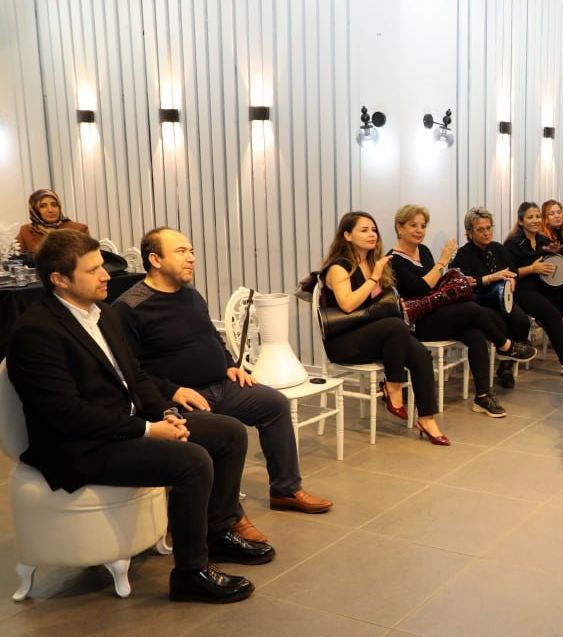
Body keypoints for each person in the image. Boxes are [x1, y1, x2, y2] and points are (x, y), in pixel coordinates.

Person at [7, 229, 271, 604]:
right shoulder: (36, 332)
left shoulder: (103, 314)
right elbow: (66, 414)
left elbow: (137, 377)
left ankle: (218, 530)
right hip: (82, 446)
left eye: (102, 266)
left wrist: (165, 413)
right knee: (193, 461)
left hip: (123, 426)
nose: (106, 276)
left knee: (228, 433)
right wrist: (148, 429)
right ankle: (190, 574)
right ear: (59, 279)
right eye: (93, 270)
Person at [115, 227, 332, 535]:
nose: (192, 258)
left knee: (274, 404)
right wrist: (172, 390)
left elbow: (210, 337)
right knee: (225, 433)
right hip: (181, 398)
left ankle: (285, 489)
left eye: (192, 251)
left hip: (221, 384)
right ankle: (229, 517)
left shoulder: (190, 295)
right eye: (181, 251)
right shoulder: (129, 308)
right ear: (155, 259)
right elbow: (129, 369)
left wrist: (230, 365)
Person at [389, 204, 536, 418]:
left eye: (423, 226)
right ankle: (506, 345)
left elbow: (436, 286)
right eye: (413, 225)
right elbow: (420, 288)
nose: (419, 230)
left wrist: (456, 280)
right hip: (417, 324)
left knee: (475, 334)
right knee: (472, 308)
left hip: (437, 314)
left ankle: (483, 396)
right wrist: (443, 261)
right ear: (399, 227)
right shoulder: (394, 259)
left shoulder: (424, 251)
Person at [319, 212, 450, 445]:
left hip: (376, 335)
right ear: (347, 235)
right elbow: (347, 304)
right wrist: (374, 278)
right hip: (344, 341)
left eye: (373, 230)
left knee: (420, 354)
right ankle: (393, 386)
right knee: (395, 326)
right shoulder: (340, 267)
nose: (372, 234)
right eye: (364, 230)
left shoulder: (373, 262)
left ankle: (427, 419)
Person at [505, 202, 563, 378]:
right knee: (552, 314)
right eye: (530, 217)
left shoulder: (542, 240)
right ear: (521, 221)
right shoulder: (513, 243)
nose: (535, 220)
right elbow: (508, 273)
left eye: (537, 216)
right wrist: (532, 269)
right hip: (523, 291)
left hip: (543, 287)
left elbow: (554, 263)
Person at [452, 207, 537, 388]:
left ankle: (506, 363)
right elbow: (462, 284)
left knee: (522, 321)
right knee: (500, 322)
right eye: (480, 229)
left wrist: (512, 280)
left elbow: (513, 271)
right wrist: (490, 278)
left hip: (503, 299)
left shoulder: (498, 248)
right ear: (469, 233)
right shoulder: (464, 254)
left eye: (489, 228)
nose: (486, 233)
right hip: (480, 302)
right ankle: (506, 361)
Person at [17, 188, 90, 254]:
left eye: (54, 205)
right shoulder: (26, 231)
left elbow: (90, 257)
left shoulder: (79, 229)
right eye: (43, 206)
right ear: (34, 210)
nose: (50, 210)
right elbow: (15, 259)